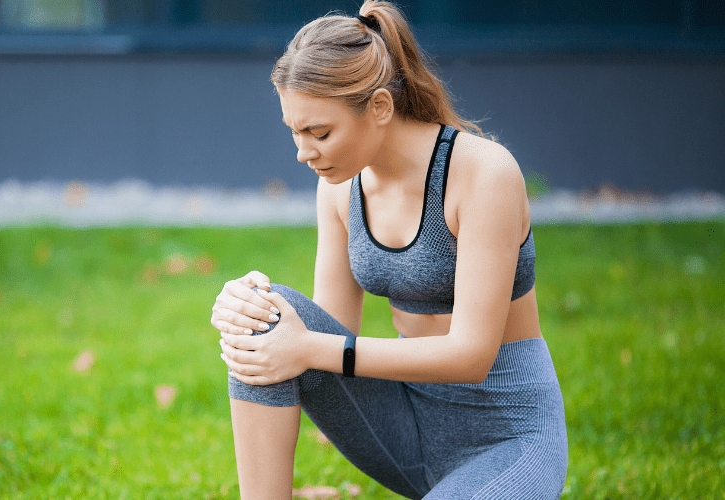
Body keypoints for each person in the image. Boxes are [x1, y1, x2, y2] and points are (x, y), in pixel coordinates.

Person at [209, 2, 568, 499]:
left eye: (320, 132)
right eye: (295, 131)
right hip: (403, 429)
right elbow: (327, 331)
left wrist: (307, 345)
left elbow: (472, 356)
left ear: (379, 107)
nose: (303, 152)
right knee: (265, 320)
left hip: (507, 437)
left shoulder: (484, 175)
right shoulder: (339, 186)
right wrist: (248, 305)